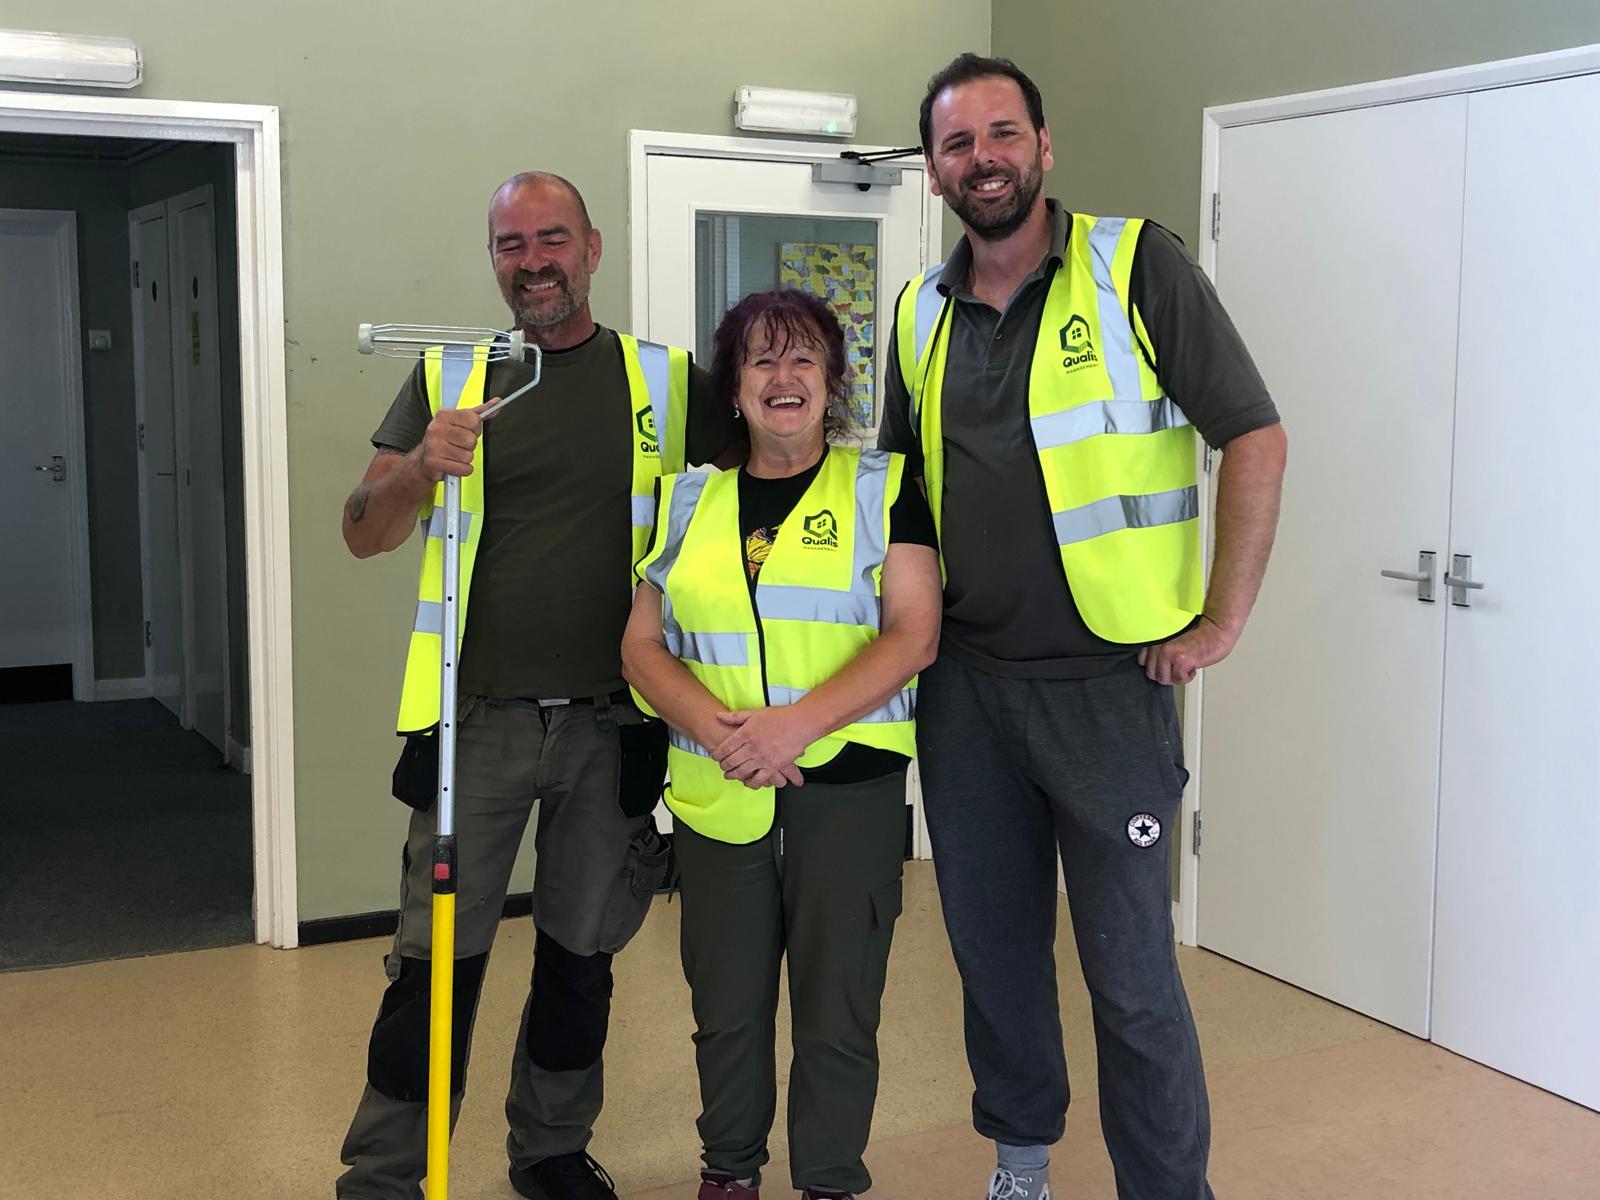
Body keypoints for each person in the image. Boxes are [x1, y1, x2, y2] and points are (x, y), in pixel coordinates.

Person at [880, 54, 1289, 1200]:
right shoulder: (919, 311)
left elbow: (1252, 435)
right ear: (933, 170)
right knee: (995, 960)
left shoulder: (1134, 265)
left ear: (1043, 146)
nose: (983, 160)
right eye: (958, 145)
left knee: (1130, 976)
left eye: (1001, 134)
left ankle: (1166, 1188)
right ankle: (1021, 1165)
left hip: (1110, 692)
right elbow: (903, 501)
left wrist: (1221, 617)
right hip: (968, 696)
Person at [336, 171, 739, 1200]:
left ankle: (551, 1151)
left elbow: (756, 500)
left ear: (592, 248)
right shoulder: (450, 376)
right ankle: (388, 1172)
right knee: (431, 969)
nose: (533, 262)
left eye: (550, 239)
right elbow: (363, 531)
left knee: (579, 958)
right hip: (477, 728)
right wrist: (423, 466)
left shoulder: (666, 381)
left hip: (612, 726)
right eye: (510, 245)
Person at [622, 289, 943, 1200]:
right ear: (734, 388)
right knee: (725, 1008)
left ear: (834, 380)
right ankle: (730, 1173)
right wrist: (715, 731)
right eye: (762, 360)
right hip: (720, 794)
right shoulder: (686, 498)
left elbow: (913, 634)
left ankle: (831, 1179)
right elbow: (641, 643)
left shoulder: (884, 487)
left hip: (846, 790)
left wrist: (793, 727)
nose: (783, 377)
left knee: (839, 1006)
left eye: (804, 357)